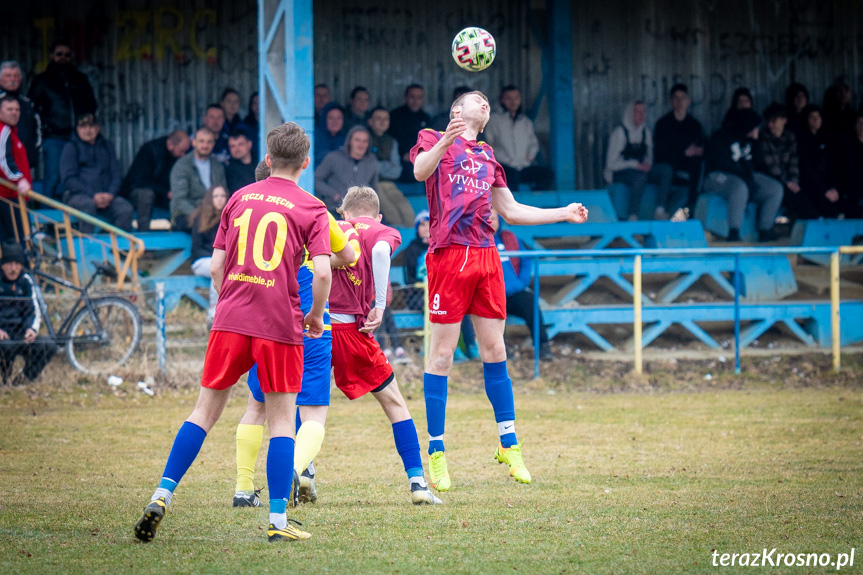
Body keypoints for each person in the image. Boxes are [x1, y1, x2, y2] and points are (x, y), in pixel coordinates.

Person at [133, 121, 331, 544]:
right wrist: (313, 316)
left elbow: (218, 267)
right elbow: (325, 273)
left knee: (203, 412)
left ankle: (161, 495)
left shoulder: (240, 197)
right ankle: (278, 523)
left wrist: (232, 303)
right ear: (306, 163)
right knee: (281, 421)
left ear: (266, 159)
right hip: (279, 323)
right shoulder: (313, 208)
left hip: (231, 319)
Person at [410, 90, 588, 491]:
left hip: (487, 256)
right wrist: (444, 140)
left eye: (487, 101)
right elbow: (421, 171)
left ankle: (509, 445)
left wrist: (562, 213)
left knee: (496, 350)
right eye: (477, 98)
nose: (485, 103)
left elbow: (510, 211)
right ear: (457, 110)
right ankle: (436, 453)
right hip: (449, 256)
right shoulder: (431, 138)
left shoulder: (489, 156)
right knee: (441, 354)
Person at [231, 160, 355, 509]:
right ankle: (297, 469)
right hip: (311, 322)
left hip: (264, 321)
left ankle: (243, 488)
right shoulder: (311, 207)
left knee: (257, 406)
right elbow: (347, 255)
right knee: (312, 411)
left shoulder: (245, 208)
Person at [329, 185, 442, 505]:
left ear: (345, 213)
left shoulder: (336, 228)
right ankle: (418, 483)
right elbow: (379, 252)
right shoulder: (384, 230)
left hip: (319, 328)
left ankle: (304, 472)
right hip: (354, 329)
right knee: (395, 404)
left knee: (309, 405)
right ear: (376, 214)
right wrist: (380, 304)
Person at [400, 209, 477, 363]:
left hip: (443, 292)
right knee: (439, 308)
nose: (426, 228)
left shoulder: (443, 247)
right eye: (422, 224)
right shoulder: (411, 250)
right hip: (419, 295)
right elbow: (409, 279)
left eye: (429, 224)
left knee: (462, 308)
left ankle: (471, 346)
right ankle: (448, 348)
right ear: (417, 228)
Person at [28, 41, 97, 199]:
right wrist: (46, 125)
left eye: (67, 54)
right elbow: (31, 108)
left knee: (79, 178)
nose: (63, 57)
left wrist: (86, 125)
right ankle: (47, 221)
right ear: (52, 56)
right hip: (54, 137)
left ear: (71, 56)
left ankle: (74, 219)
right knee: (52, 178)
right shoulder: (42, 80)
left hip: (79, 138)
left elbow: (92, 105)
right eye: (59, 54)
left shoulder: (80, 79)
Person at [702, 108, 783, 242]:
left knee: (775, 188)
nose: (757, 130)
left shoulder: (751, 141)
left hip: (744, 176)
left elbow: (757, 164)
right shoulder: (721, 137)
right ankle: (734, 232)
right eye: (754, 128)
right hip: (717, 177)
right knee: (739, 188)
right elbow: (721, 164)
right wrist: (745, 177)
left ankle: (765, 229)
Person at [488, 208, 554, 361]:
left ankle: (543, 346)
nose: (491, 222)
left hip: (514, 292)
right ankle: (501, 351)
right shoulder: (476, 242)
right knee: (492, 314)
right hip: (491, 295)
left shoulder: (509, 238)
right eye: (487, 218)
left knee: (530, 301)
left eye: (494, 218)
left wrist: (521, 282)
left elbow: (525, 260)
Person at [60, 114, 133, 233]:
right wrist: (93, 195)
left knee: (125, 208)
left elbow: (116, 175)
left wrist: (110, 194)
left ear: (97, 128)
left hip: (106, 197)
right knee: (88, 206)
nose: (88, 130)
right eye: (83, 126)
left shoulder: (107, 146)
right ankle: (87, 248)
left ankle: (118, 249)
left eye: (91, 126)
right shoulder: (71, 147)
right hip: (78, 196)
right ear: (78, 129)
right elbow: (68, 179)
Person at [604, 100, 674, 220]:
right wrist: (635, 165)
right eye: (637, 112)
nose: (641, 115)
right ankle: (633, 215)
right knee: (639, 177)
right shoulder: (620, 133)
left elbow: (649, 157)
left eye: (643, 112)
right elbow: (610, 164)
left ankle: (660, 210)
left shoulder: (645, 132)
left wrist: (647, 165)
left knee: (665, 170)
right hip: (618, 173)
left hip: (640, 170)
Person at [0, 242, 56, 383]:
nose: (13, 268)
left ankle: (23, 380)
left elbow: (34, 310)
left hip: (21, 333)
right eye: (9, 264)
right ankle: (4, 381)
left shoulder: (26, 281)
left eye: (17, 264)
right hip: (3, 335)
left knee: (48, 345)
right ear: (2, 264)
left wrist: (31, 329)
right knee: (5, 346)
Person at [483, 85, 554, 191]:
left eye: (516, 98)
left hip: (524, 166)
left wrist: (530, 156)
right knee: (502, 178)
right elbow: (489, 145)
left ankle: (533, 203)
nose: (513, 102)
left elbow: (533, 143)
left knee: (547, 175)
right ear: (501, 100)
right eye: (508, 98)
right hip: (504, 167)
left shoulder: (526, 122)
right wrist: (505, 159)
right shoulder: (493, 120)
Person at [119, 130, 190, 232]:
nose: (184, 155)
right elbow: (141, 180)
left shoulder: (178, 157)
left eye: (185, 152)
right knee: (146, 194)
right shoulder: (150, 150)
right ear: (170, 144)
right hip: (136, 192)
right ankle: (144, 233)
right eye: (181, 151)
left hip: (162, 194)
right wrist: (167, 193)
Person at [653, 83, 705, 209]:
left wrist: (699, 151)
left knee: (698, 169)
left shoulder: (694, 125)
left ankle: (689, 210)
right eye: (676, 98)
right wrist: (683, 153)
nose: (680, 102)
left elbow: (702, 145)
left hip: (689, 170)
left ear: (688, 101)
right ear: (671, 101)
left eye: (683, 98)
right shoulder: (663, 124)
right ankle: (667, 214)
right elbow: (660, 154)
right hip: (670, 167)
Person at [169, 127, 227, 232]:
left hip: (213, 212)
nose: (205, 145)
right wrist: (199, 214)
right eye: (201, 141)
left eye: (209, 142)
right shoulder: (182, 166)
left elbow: (223, 193)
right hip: (186, 213)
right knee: (201, 223)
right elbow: (180, 200)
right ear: (194, 142)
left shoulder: (217, 166)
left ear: (213, 144)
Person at [367, 106, 416, 227]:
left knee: (407, 211)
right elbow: (367, 167)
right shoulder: (364, 138)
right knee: (392, 214)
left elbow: (397, 170)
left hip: (389, 183)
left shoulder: (391, 141)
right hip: (370, 183)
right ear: (370, 121)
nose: (382, 122)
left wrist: (379, 167)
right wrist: (386, 165)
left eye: (386, 119)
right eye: (378, 118)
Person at [796, 105, 847, 219]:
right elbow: (807, 170)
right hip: (812, 187)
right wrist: (824, 191)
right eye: (811, 117)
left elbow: (833, 167)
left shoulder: (827, 139)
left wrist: (834, 188)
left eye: (818, 116)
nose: (816, 120)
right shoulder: (802, 141)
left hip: (829, 187)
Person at [314, 125, 378, 215]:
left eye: (365, 141)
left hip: (361, 213)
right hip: (335, 210)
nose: (361, 144)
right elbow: (316, 180)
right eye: (357, 140)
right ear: (350, 141)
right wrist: (334, 195)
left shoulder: (371, 161)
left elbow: (374, 188)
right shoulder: (334, 157)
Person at [755, 103, 801, 222]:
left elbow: (793, 163)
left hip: (788, 181)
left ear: (784, 121)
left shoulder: (790, 137)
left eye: (774, 121)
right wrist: (787, 182)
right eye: (768, 121)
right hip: (772, 179)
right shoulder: (763, 136)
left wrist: (793, 181)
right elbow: (771, 166)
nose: (770, 124)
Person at [189, 185, 228, 323]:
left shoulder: (229, 218)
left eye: (222, 196)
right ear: (209, 199)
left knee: (220, 267)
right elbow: (196, 248)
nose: (219, 199)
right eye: (216, 196)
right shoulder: (199, 219)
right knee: (216, 268)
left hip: (222, 262)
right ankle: (213, 309)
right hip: (201, 262)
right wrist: (216, 256)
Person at [0, 96, 32, 246]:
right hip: (9, 197)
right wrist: (19, 179)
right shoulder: (4, 130)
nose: (14, 113)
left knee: (10, 242)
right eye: (9, 109)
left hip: (11, 196)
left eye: (17, 110)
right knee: (20, 241)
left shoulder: (10, 132)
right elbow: (3, 159)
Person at [0, 61, 40, 169]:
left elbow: (37, 128)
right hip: (3, 163)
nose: (12, 79)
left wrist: (33, 149)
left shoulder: (28, 103)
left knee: (27, 185)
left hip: (26, 160)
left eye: (16, 76)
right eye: (8, 76)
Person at [390, 84, 431, 183]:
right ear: (406, 97)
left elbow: (430, 141)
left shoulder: (426, 118)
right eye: (412, 96)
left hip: (420, 160)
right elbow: (390, 139)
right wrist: (403, 153)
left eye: (419, 97)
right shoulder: (395, 115)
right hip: (399, 161)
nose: (416, 100)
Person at [314, 102, 346, 166]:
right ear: (324, 119)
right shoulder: (314, 137)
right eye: (331, 118)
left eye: (339, 118)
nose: (335, 121)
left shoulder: (347, 138)